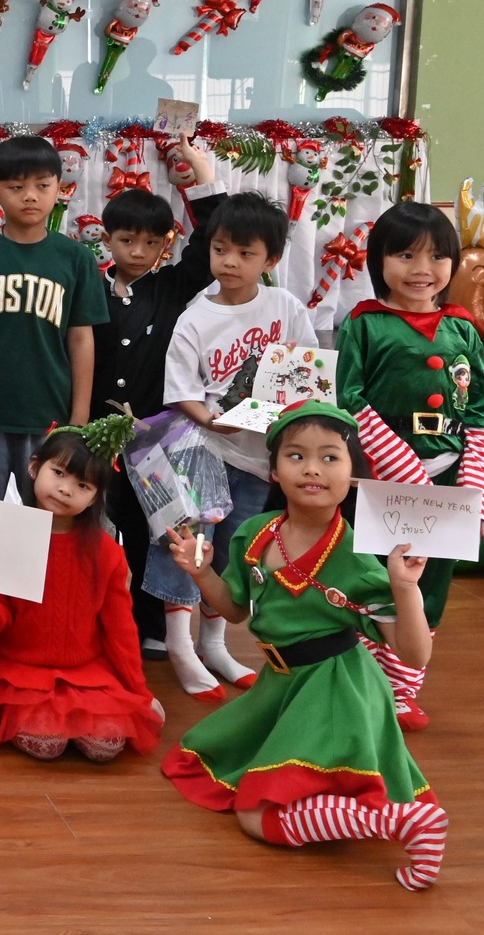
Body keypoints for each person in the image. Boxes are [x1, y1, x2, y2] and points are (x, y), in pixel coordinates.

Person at [161, 402, 447, 892]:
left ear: (353, 474)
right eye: (296, 456)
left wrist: (405, 588)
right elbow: (234, 611)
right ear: (273, 469)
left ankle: (400, 822)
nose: (312, 468)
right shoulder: (255, 533)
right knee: (203, 762)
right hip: (281, 686)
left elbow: (415, 655)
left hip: (336, 692)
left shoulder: (360, 563)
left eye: (330, 457)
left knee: (256, 814)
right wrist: (201, 573)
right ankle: (368, 812)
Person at [335, 201, 484, 731]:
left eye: (435, 257)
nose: (421, 269)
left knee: (431, 585)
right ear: (378, 260)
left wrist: (475, 483)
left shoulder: (462, 329)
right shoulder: (364, 325)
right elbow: (350, 399)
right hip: (380, 482)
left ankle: (403, 690)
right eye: (405, 255)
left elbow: (482, 408)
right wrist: (403, 467)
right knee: (376, 580)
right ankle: (364, 683)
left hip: (450, 477)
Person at [159, 193, 316, 702]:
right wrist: (210, 419)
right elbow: (180, 389)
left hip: (256, 456)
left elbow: (309, 376)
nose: (229, 262)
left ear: (271, 260)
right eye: (220, 249)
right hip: (201, 449)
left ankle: (214, 644)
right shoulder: (195, 316)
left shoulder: (285, 307)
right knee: (188, 547)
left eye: (245, 253)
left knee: (232, 552)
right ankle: (180, 645)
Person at [92, 142, 224, 657]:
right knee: (94, 529)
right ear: (107, 238)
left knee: (153, 529)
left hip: (159, 440)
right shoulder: (89, 288)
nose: (138, 252)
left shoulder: (173, 286)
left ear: (166, 243)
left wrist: (203, 175)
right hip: (96, 437)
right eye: (127, 240)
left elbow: (211, 238)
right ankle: (92, 619)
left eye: (151, 242)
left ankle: (150, 625)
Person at [0, 422, 161, 764]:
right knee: (47, 742)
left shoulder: (106, 553)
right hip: (22, 673)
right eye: (58, 473)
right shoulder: (10, 538)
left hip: (87, 673)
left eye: (82, 485)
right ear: (34, 467)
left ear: (95, 497)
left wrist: (139, 690)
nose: (65, 489)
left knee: (106, 747)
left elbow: (120, 630)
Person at [0, 136, 109, 503]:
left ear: (59, 189)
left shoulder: (75, 258)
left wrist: (79, 418)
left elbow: (81, 338)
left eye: (42, 186)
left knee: (45, 521)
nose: (30, 196)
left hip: (50, 418)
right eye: (16, 187)